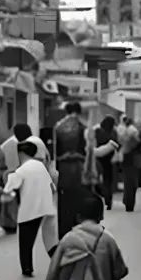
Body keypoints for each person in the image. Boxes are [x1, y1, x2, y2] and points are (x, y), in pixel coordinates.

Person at [2, 140, 58, 277]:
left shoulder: (20, 171)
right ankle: (60, 263)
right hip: (47, 207)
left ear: (21, 153)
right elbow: (53, 187)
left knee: (26, 242)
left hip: (29, 210)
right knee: (50, 239)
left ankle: (27, 268)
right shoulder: (40, 166)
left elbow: (8, 191)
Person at [54, 102, 95, 239]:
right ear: (78, 111)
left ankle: (63, 234)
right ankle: (77, 232)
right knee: (78, 202)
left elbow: (54, 153)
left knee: (64, 203)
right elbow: (88, 152)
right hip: (78, 170)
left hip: (62, 171)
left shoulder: (58, 127)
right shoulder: (83, 127)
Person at [95, 115, 118, 210]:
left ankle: (100, 199)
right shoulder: (112, 133)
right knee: (108, 181)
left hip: (98, 158)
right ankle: (108, 202)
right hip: (109, 159)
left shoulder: (97, 131)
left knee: (98, 180)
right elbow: (116, 144)